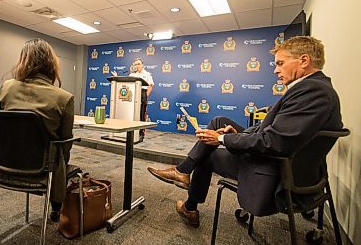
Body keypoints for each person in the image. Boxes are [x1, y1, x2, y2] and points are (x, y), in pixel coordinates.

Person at [147, 36, 342, 227]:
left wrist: (222, 139)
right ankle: (183, 171)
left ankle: (189, 202)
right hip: (275, 158)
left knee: (207, 154)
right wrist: (235, 133)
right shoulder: (314, 87)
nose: (275, 70)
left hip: (272, 169)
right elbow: (275, 130)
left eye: (280, 63)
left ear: (304, 60)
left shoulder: (312, 91)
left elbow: (273, 142)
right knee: (219, 121)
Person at [0, 38, 75, 222]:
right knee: (61, 154)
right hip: (41, 167)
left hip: (3, 162)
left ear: (23, 61)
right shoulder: (64, 98)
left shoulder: (6, 88)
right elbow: (66, 143)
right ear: (52, 64)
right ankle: (56, 207)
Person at [113, 58, 154, 139]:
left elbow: (151, 85)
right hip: (132, 95)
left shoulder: (147, 74)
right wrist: (116, 77)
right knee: (131, 113)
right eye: (135, 64)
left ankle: (141, 133)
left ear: (142, 65)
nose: (137, 66)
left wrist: (145, 95)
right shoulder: (132, 75)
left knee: (141, 114)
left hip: (142, 93)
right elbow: (125, 83)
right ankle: (130, 130)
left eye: (138, 64)